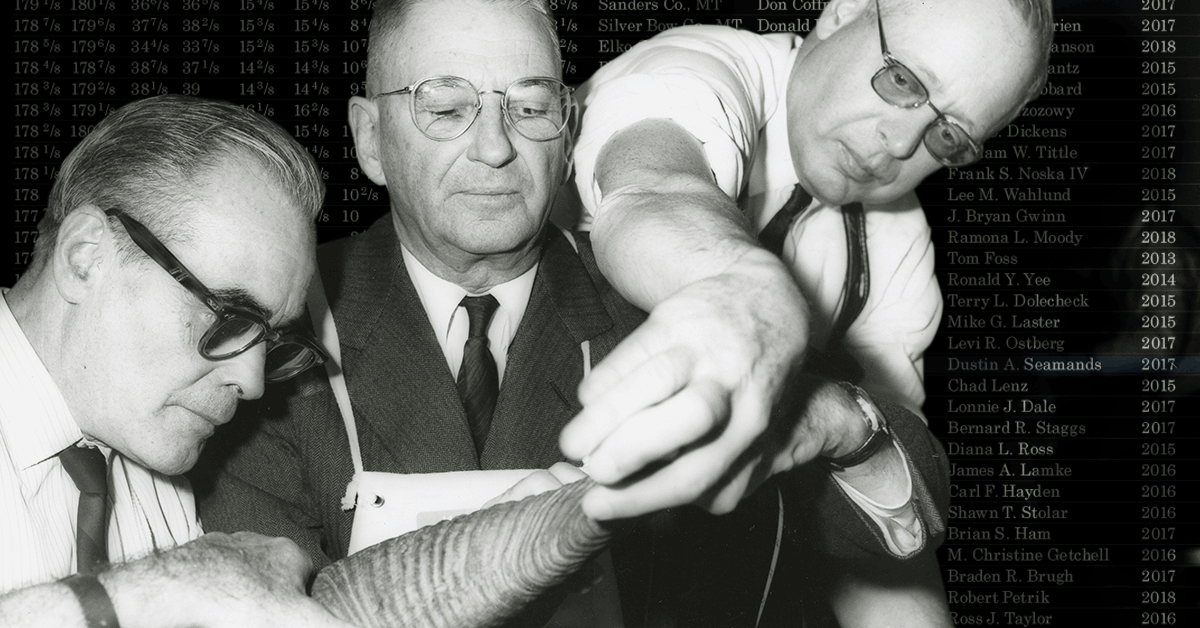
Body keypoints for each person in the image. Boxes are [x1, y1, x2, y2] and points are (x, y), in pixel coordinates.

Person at [196, 0, 953, 625]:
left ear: (568, 135)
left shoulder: (659, 314)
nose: (495, 148)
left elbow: (883, 524)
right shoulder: (275, 338)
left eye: (530, 107)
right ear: (369, 140)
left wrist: (839, 422)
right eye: (449, 107)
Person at [561, 0, 1053, 522]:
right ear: (842, 12)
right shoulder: (707, 66)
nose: (903, 143)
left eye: (947, 134)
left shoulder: (898, 239)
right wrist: (750, 295)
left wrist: (845, 423)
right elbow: (653, 188)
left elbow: (900, 490)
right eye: (904, 81)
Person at [0, 95, 351, 627]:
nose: (253, 383)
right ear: (85, 257)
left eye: (273, 340)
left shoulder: (159, 478)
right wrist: (142, 596)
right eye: (229, 317)